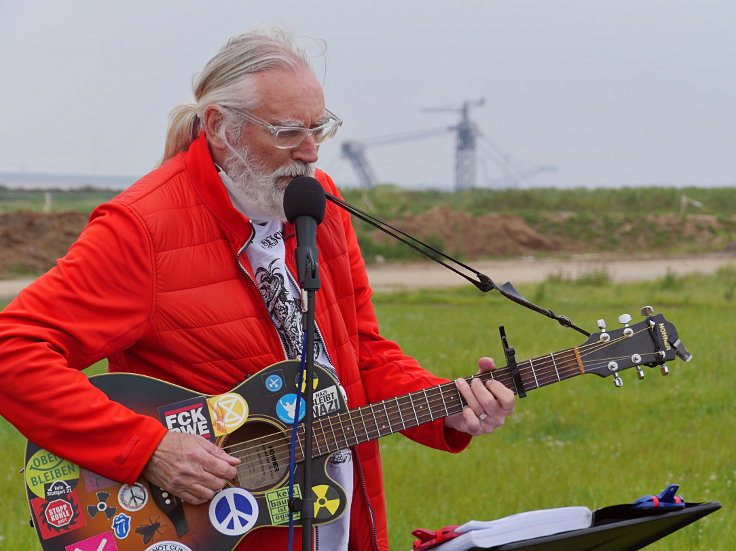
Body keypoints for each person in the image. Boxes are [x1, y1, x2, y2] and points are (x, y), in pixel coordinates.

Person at [0, 28, 515, 550]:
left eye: (320, 128)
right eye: (288, 132)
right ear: (222, 127)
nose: (311, 152)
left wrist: (445, 406)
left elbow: (359, 355)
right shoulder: (143, 229)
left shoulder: (319, 203)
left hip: (340, 526)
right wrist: (148, 447)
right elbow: (12, 352)